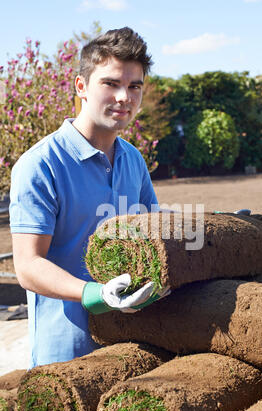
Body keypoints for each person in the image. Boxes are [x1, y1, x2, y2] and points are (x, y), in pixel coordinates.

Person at [9, 27, 167, 369]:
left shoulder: (133, 159)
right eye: (111, 83)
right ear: (81, 87)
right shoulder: (41, 164)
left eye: (134, 86)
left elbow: (153, 231)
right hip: (65, 354)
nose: (124, 97)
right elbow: (27, 266)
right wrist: (93, 293)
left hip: (127, 347)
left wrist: (216, 226)